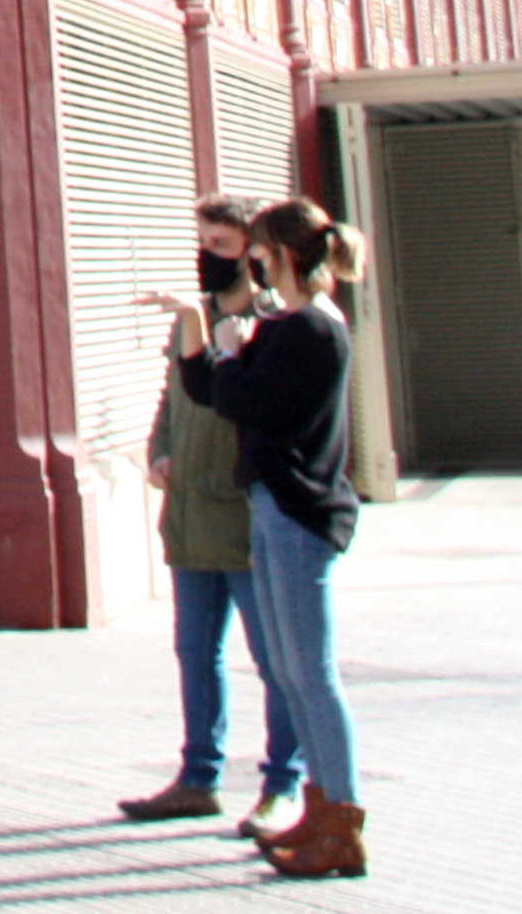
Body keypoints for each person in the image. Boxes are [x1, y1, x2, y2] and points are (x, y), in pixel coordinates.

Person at [177, 199, 372, 882]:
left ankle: (341, 818)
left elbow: (247, 402)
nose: (248, 263)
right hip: (273, 506)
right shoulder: (290, 326)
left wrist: (231, 357)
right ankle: (321, 812)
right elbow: (212, 390)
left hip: (298, 513)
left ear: (282, 254)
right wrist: (204, 334)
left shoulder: (314, 330)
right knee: (289, 671)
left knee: (311, 674)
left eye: (255, 251)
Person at [120, 196, 303, 837]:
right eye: (202, 241)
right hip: (190, 512)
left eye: (221, 245)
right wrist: (160, 450)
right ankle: (198, 777)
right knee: (195, 651)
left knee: (274, 657)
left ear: (252, 254)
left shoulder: (273, 321)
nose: (208, 256)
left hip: (245, 512)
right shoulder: (189, 319)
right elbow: (174, 394)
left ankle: (282, 785)